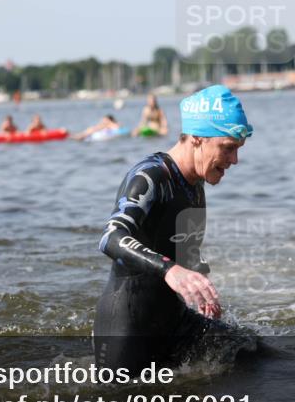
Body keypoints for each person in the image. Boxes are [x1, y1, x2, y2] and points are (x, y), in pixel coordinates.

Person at [94, 85, 253, 371]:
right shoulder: (150, 176)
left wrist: (202, 291)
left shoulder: (194, 183)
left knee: (254, 354)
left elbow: (180, 244)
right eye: (228, 148)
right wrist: (171, 270)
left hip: (175, 321)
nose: (234, 160)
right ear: (197, 138)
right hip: (129, 330)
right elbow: (111, 237)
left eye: (237, 150)